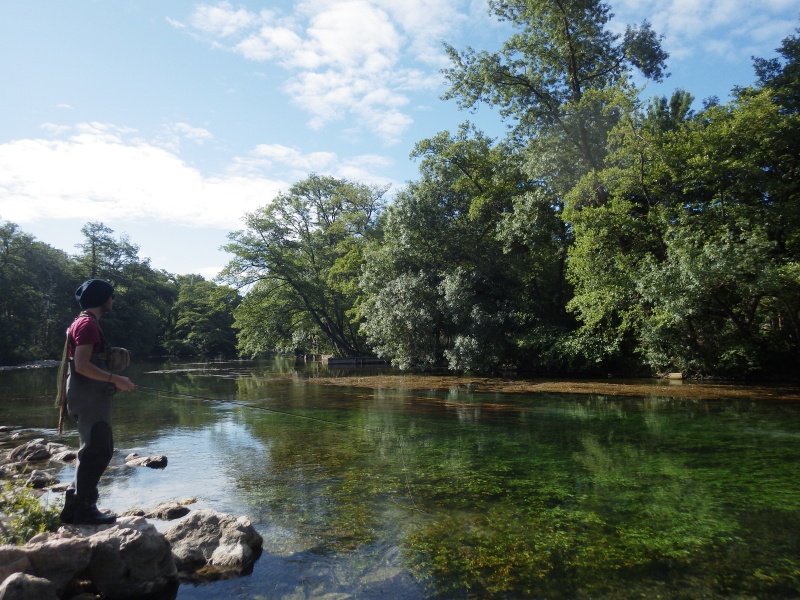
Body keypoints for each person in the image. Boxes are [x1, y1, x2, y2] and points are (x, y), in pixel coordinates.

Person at [60, 279, 135, 525]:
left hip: (91, 394)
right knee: (96, 450)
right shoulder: (88, 325)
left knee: (97, 449)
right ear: (103, 299)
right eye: (111, 296)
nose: (113, 300)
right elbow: (81, 366)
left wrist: (112, 380)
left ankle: (74, 506)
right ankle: (85, 510)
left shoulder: (83, 322)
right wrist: (116, 378)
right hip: (89, 396)